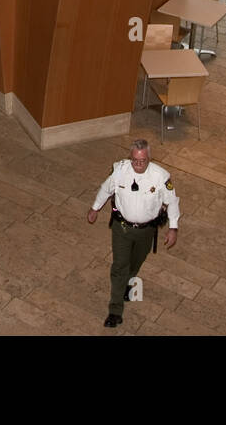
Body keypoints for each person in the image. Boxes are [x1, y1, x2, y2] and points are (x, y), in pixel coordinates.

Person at [87, 139, 179, 328]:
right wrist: (95, 208)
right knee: (119, 266)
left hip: (146, 231)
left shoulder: (160, 177)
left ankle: (128, 281)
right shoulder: (120, 171)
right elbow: (106, 189)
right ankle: (115, 310)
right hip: (122, 228)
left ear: (149, 159)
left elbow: (172, 201)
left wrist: (173, 228)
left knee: (136, 261)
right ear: (130, 158)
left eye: (142, 161)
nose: (138, 165)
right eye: (135, 160)